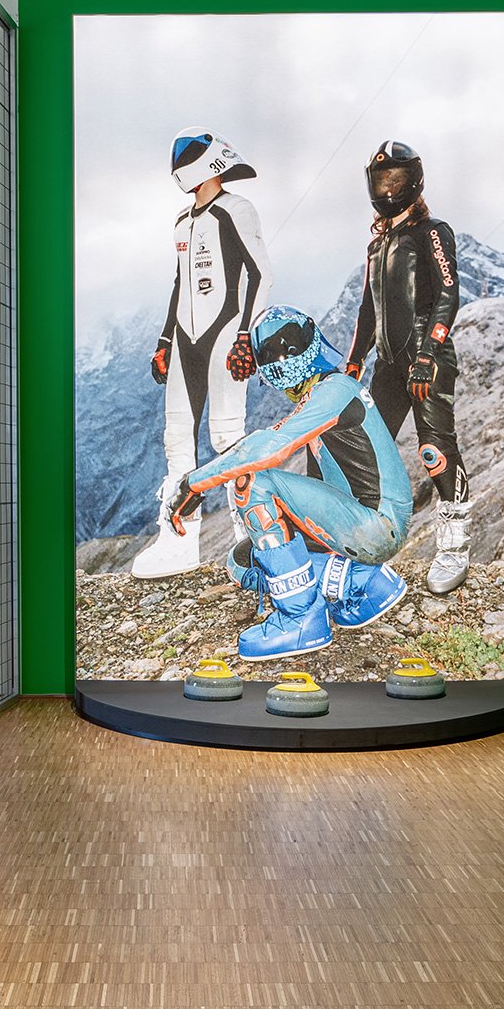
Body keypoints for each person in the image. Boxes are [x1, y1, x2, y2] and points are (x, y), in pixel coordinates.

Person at [161, 305, 413, 661]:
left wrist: (194, 483)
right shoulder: (329, 392)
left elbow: (268, 448)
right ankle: (363, 583)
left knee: (252, 481)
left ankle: (300, 620)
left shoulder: (335, 391)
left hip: (376, 526)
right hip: (360, 522)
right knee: (244, 561)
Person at [125, 128, 271, 580]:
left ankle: (253, 537)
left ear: (210, 162)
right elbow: (179, 284)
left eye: (186, 158)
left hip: (226, 334)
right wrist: (164, 340)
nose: (178, 167)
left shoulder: (237, 209)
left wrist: (247, 335)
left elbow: (261, 274)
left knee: (228, 437)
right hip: (185, 340)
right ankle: (179, 541)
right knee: (176, 441)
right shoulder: (181, 221)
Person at [342, 140, 474, 595]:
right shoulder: (376, 243)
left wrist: (428, 353)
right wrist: (354, 361)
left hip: (427, 360)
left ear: (414, 181)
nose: (388, 187)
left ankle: (454, 547)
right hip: (386, 365)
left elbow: (448, 294)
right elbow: (367, 308)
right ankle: (362, 544)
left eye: (396, 179)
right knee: (367, 446)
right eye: (381, 179)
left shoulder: (432, 231)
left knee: (435, 450)